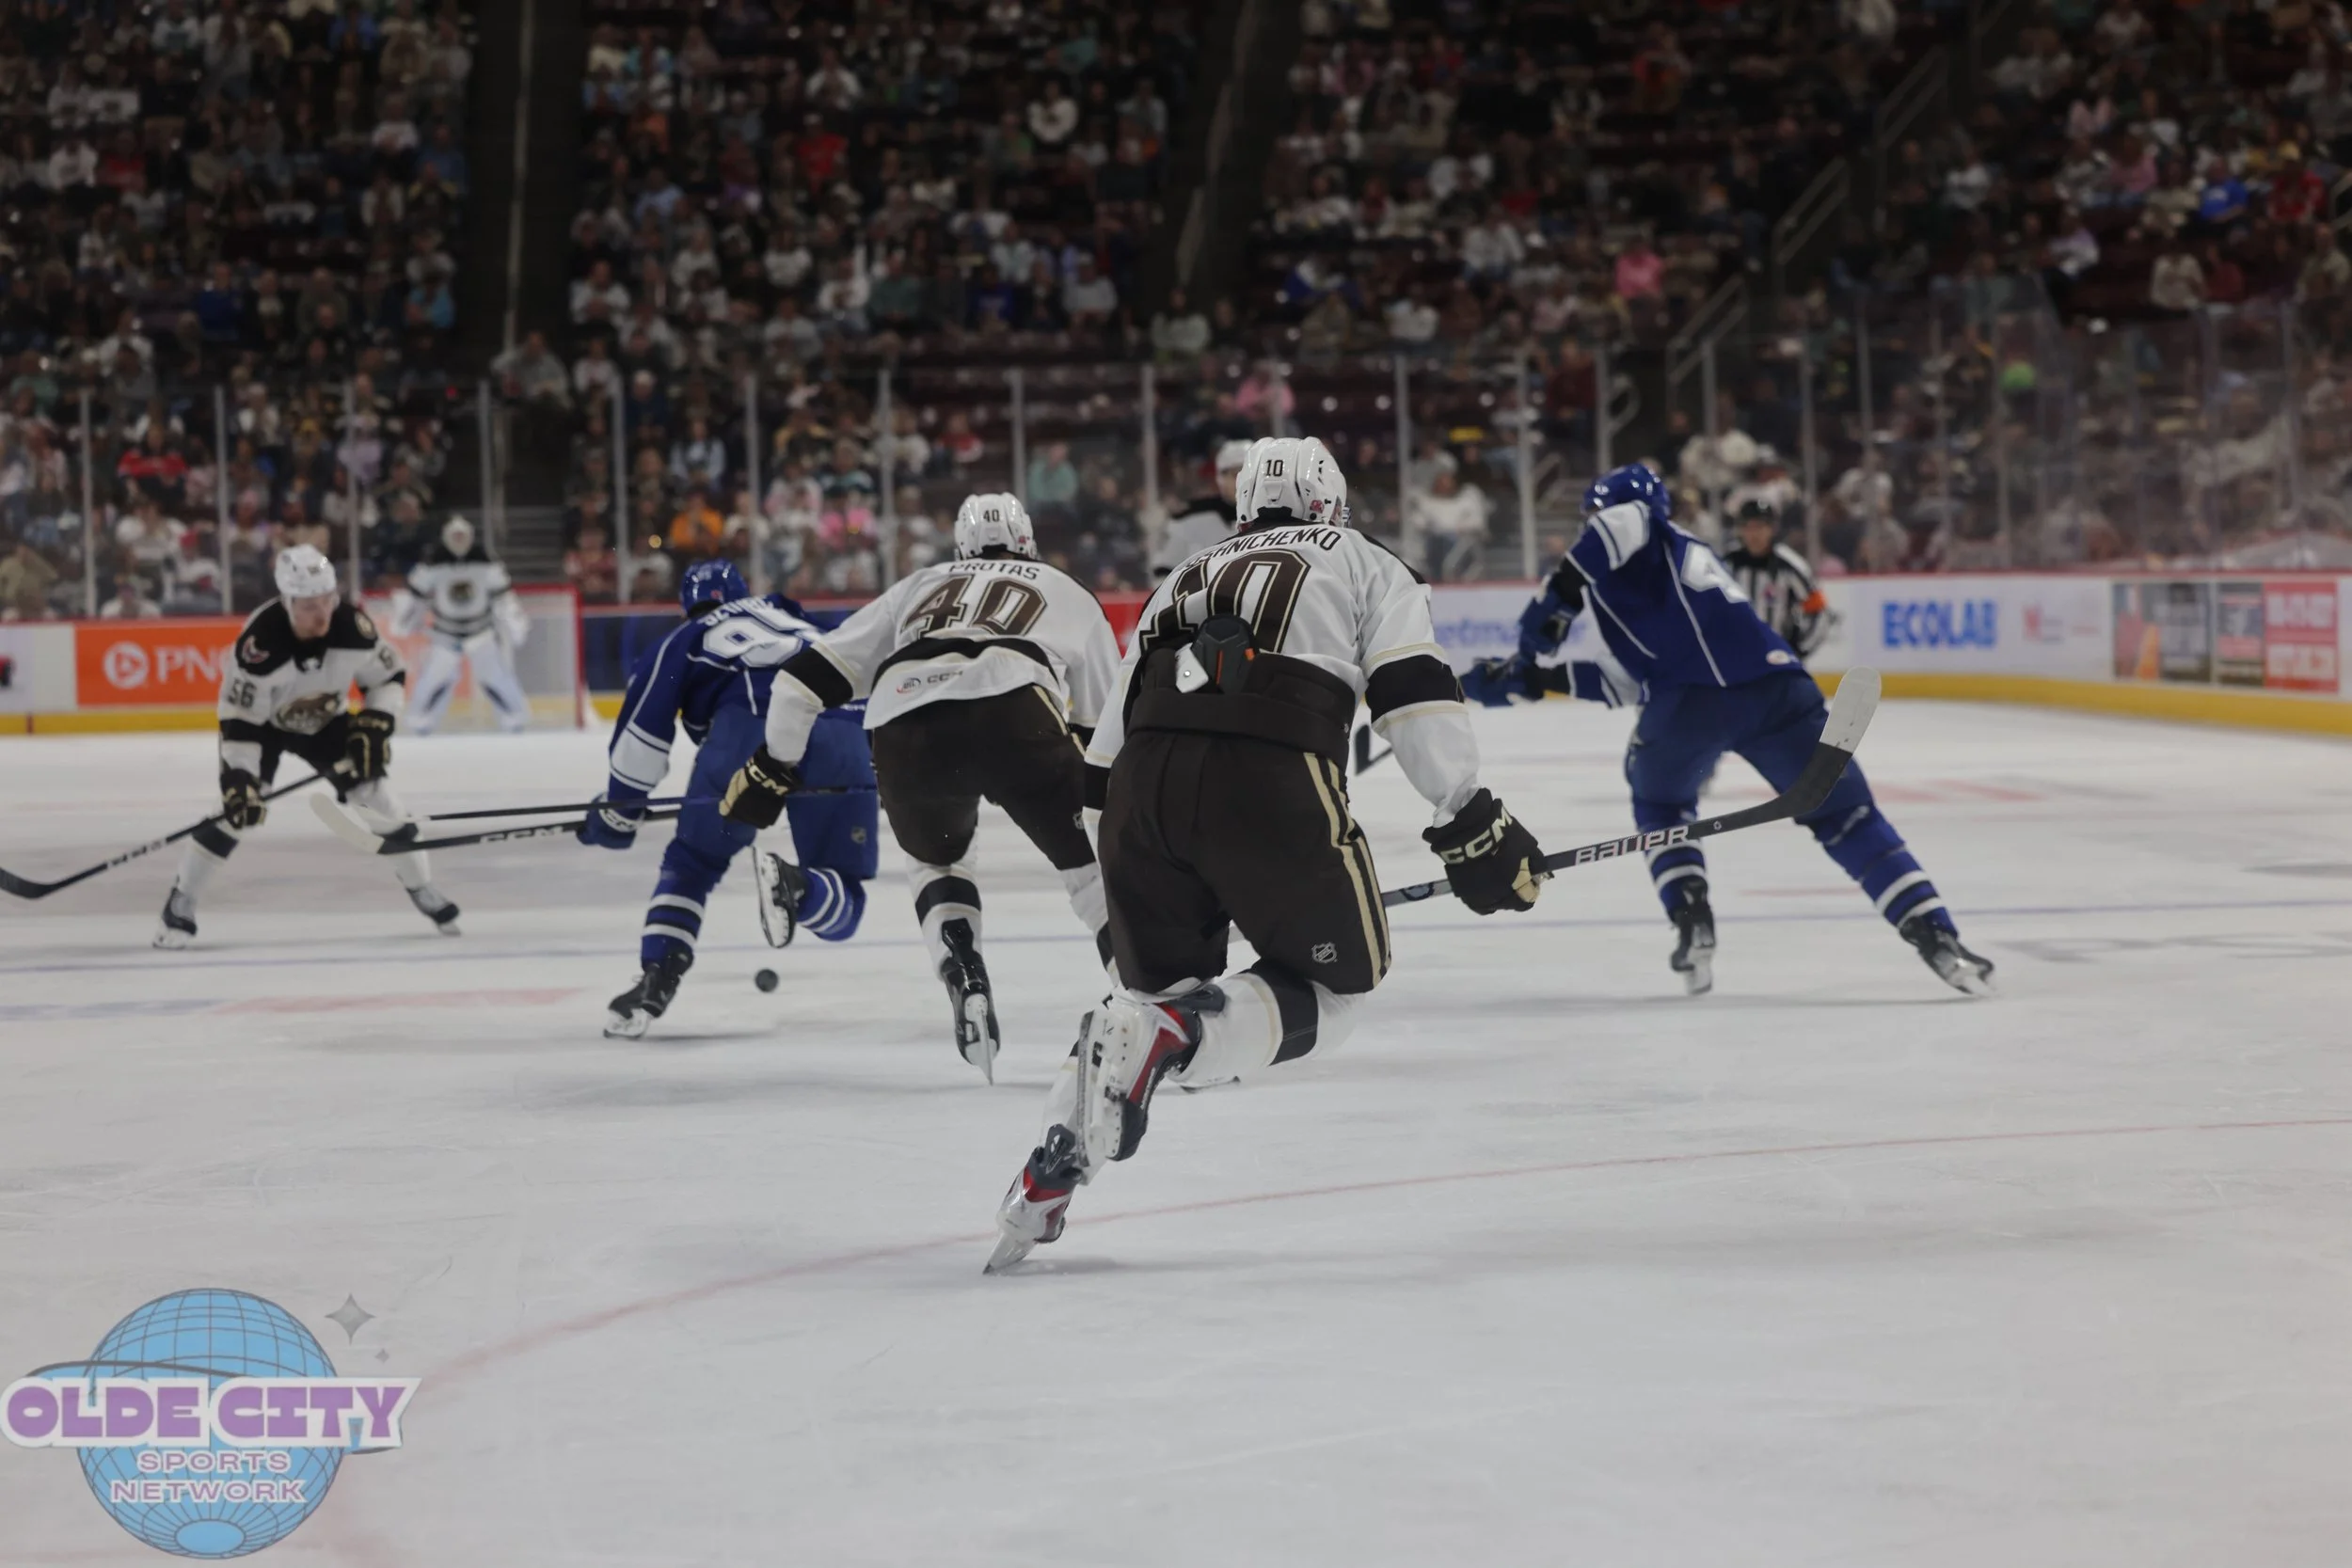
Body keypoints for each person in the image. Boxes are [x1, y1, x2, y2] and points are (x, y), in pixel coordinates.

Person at [982, 436, 1550, 1271]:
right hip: (1270, 776)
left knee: (1139, 1002)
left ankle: (1049, 1177)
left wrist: (1137, 867)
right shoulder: (1362, 559)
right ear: (1332, 501)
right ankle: (1171, 1031)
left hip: (1139, 794)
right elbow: (1411, 692)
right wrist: (1469, 817)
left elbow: (1100, 765)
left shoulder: (1185, 575)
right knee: (1339, 982)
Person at [1463, 464, 1992, 998]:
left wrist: (1556, 600)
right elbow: (1624, 680)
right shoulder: (1669, 559)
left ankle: (1692, 919)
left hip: (1691, 706)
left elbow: (1618, 527)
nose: (1590, 528)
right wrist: (1533, 677)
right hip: (1779, 692)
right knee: (1848, 819)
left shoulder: (1635, 532)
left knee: (1662, 809)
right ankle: (1937, 936)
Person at [718, 494, 1122, 1079]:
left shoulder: (920, 584)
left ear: (959, 546)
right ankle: (1154, 1015)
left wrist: (774, 768)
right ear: (1028, 541)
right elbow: (1104, 727)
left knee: (938, 864)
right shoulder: (1065, 588)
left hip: (904, 719)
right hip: (1017, 709)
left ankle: (964, 971)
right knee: (1092, 873)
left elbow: (798, 685)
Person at [580, 560, 879, 1038]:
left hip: (749, 731)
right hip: (843, 729)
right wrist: (874, 762)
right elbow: (864, 675)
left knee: (692, 863)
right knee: (845, 893)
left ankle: (657, 979)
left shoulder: (683, 638)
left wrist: (617, 813)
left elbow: (642, 730)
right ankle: (800, 889)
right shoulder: (798, 621)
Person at [155, 546, 460, 948]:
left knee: (378, 800)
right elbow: (240, 721)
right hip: (262, 729)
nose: (322, 614)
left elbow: (387, 677)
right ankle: (181, 901)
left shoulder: (352, 627)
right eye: (309, 606)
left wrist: (376, 723)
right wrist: (240, 779)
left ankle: (421, 886)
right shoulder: (260, 647)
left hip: (326, 723)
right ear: (287, 602)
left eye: (327, 602)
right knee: (233, 813)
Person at [398, 515, 531, 734]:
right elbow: (416, 597)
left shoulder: (485, 560)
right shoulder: (433, 561)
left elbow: (504, 598)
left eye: (463, 536)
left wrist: (515, 624)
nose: (459, 540)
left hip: (480, 630)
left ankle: (515, 718)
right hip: (445, 633)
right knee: (434, 678)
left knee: (495, 677)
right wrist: (406, 621)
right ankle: (420, 720)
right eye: (455, 536)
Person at [1719, 496, 1827, 658]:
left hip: (1777, 661)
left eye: (1760, 527)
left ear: (1772, 529)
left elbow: (1818, 611)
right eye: (1748, 527)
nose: (1754, 533)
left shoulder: (1790, 566)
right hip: (1735, 660)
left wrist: (1799, 651)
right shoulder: (1726, 564)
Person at [1148, 438, 1248, 577]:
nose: (1245, 480)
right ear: (1220, 478)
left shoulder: (1281, 518)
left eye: (1252, 473)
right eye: (1236, 473)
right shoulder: (1188, 520)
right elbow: (1162, 575)